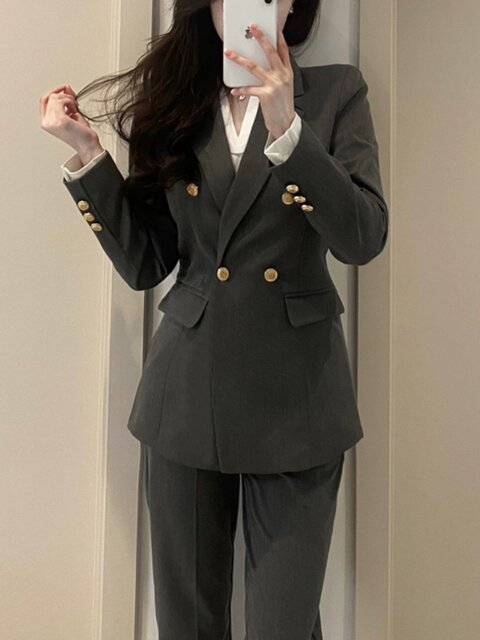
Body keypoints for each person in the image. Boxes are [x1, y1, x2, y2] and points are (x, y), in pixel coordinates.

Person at [39, 1, 388, 637]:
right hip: (186, 394)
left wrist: (288, 130)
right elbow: (148, 262)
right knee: (188, 624)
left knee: (283, 626)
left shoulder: (336, 93)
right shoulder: (175, 103)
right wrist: (89, 157)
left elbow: (362, 240)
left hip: (298, 398)